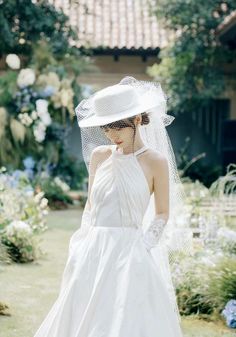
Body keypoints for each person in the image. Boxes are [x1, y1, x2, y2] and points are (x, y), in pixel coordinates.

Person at [33, 76, 192, 337]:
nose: (111, 134)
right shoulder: (99, 156)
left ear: (137, 120)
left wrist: (144, 244)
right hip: (93, 249)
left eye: (118, 127)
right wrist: (82, 241)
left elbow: (162, 212)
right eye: (106, 128)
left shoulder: (155, 162)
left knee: (123, 318)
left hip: (131, 252)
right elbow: (91, 205)